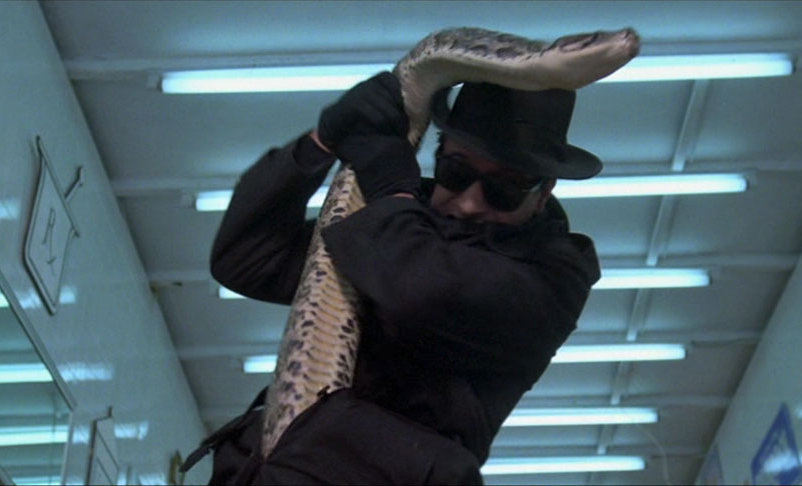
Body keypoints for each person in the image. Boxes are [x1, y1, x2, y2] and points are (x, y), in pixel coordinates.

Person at [209, 72, 602, 485]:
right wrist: (320, 143)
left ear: (543, 193)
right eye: (455, 171)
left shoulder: (555, 276)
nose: (470, 202)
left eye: (503, 189)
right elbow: (248, 260)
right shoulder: (399, 216)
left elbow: (422, 290)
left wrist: (391, 193)